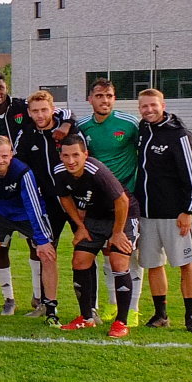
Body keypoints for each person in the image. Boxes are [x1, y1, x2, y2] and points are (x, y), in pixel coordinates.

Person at [53, 137, 139, 338]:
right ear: (61, 156)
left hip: (123, 216)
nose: (71, 160)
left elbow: (122, 200)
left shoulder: (97, 171)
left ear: (85, 155)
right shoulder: (59, 172)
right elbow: (64, 198)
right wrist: (80, 226)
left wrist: (117, 234)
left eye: (76, 155)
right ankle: (86, 318)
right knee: (80, 260)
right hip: (95, 218)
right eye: (66, 155)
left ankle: (121, 321)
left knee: (118, 261)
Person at [134, 89, 192, 333]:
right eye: (144, 106)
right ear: (139, 108)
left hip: (176, 215)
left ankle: (191, 316)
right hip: (147, 214)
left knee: (186, 263)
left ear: (163, 104)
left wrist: (188, 211)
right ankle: (160, 314)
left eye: (153, 105)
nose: (149, 110)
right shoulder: (143, 130)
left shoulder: (179, 135)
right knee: (153, 265)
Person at [78, 78, 146, 326]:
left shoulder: (129, 124)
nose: (104, 100)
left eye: (108, 96)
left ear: (114, 99)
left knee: (127, 252)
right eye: (99, 96)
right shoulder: (83, 126)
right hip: (99, 202)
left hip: (128, 200)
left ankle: (134, 308)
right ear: (90, 99)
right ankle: (111, 304)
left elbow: (145, 151)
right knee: (107, 253)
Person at [0, 136, 59, 324]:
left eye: (5, 155)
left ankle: (51, 310)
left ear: (11, 154)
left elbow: (33, 205)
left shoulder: (22, 172)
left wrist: (42, 239)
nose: (1, 160)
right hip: (1, 215)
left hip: (26, 215)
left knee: (48, 255)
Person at [12, 90, 76, 317]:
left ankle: (91, 307)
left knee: (85, 251)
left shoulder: (69, 130)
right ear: (29, 112)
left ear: (52, 109)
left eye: (44, 110)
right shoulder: (26, 133)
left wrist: (67, 123)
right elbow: (17, 165)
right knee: (47, 253)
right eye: (35, 111)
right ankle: (47, 305)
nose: (40, 115)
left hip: (75, 200)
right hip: (46, 203)